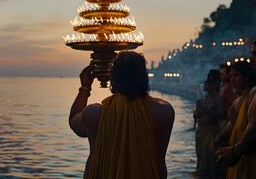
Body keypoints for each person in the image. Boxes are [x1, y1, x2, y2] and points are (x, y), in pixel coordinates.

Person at [69, 51, 175, 179]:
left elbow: (73, 120)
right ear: (145, 77)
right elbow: (152, 100)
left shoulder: (94, 114)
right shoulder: (164, 112)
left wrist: (85, 87)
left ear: (112, 79)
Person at [212, 61, 256, 178]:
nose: (232, 80)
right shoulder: (237, 99)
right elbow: (231, 125)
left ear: (246, 77)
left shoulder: (251, 98)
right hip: (235, 151)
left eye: (236, 76)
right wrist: (219, 137)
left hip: (245, 152)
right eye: (231, 76)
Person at [194, 69, 225, 177]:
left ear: (216, 83)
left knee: (212, 164)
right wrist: (197, 114)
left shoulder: (218, 99)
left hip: (211, 134)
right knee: (201, 160)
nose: (206, 84)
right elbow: (197, 118)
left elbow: (222, 114)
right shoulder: (202, 99)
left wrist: (206, 111)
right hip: (200, 133)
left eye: (209, 82)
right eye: (206, 82)